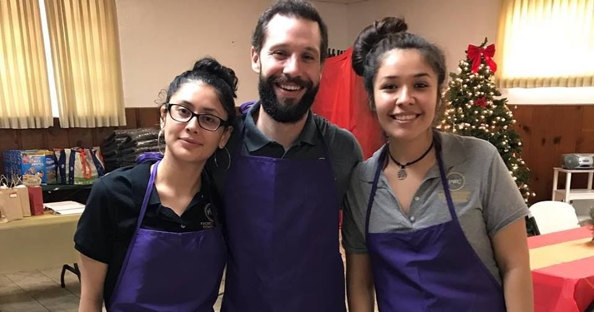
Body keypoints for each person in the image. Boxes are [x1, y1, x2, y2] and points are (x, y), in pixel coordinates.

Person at [342, 17, 533, 312]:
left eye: (420, 84)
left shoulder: (480, 159)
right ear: (372, 97)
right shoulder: (361, 182)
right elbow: (359, 284)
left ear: (438, 92)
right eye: (390, 86)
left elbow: (516, 266)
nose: (405, 99)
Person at [206, 1, 362, 311]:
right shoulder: (221, 144)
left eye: (307, 57)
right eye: (280, 53)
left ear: (320, 68)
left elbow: (358, 251)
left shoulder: (343, 149)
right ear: (255, 57)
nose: (293, 69)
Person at [74, 57, 237, 312]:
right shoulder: (113, 194)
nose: (192, 126)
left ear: (224, 135)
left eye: (209, 119)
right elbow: (90, 301)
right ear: (164, 116)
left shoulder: (222, 200)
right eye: (183, 111)